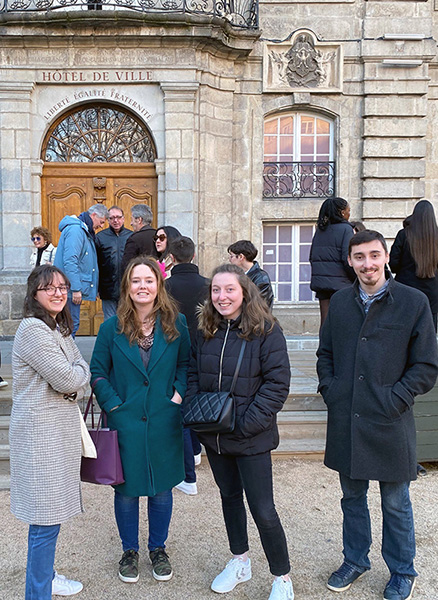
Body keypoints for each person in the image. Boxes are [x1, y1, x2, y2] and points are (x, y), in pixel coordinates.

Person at [317, 229, 438, 600]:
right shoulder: (339, 302)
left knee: (395, 503)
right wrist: (331, 390)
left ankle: (402, 570)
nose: (367, 264)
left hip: (389, 418)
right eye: (359, 257)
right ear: (350, 262)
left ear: (386, 257)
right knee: (351, 498)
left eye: (373, 255)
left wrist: (395, 398)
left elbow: (426, 366)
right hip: (347, 417)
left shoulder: (413, 302)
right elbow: (325, 354)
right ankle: (355, 560)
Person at [185, 263, 293, 600]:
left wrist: (247, 424)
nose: (221, 296)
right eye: (216, 290)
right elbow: (191, 372)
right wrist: (194, 407)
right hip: (215, 435)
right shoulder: (205, 329)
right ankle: (239, 560)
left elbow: (277, 384)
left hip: (250, 436)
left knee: (263, 509)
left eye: (229, 289)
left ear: (244, 291)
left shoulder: (266, 330)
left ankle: (282, 577)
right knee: (230, 499)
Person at [90, 256, 191, 585]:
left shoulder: (177, 322)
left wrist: (176, 395)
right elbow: (97, 372)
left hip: (165, 417)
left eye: (149, 280)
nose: (142, 286)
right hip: (126, 420)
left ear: (159, 285)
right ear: (127, 287)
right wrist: (114, 405)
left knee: (162, 488)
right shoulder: (110, 328)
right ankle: (129, 551)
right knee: (128, 490)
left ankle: (158, 549)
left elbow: (186, 365)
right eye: (136, 281)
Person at [9, 265, 90, 600]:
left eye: (62, 286)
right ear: (34, 294)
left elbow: (79, 372)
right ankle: (38, 592)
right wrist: (73, 381)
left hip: (54, 435)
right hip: (39, 438)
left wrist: (73, 380)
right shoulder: (33, 330)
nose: (58, 292)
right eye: (49, 288)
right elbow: (71, 379)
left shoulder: (56, 328)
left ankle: (46, 576)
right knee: (44, 521)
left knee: (49, 519)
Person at [165, 235, 209, 495]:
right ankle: (194, 451)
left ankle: (189, 470)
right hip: (205, 352)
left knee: (182, 408)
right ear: (194, 256)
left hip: (175, 352)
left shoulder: (165, 286)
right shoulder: (207, 285)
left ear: (172, 258)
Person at [54, 204, 108, 336]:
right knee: (70, 325)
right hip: (69, 288)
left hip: (68, 286)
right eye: (101, 222)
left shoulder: (81, 229)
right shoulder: (76, 230)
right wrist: (76, 288)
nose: (101, 226)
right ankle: (64, 356)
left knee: (69, 325)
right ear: (93, 215)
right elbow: (71, 261)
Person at [389, 200, 438, 332]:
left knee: (402, 331)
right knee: (428, 334)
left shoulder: (404, 234)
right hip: (432, 291)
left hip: (405, 287)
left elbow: (393, 263)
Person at [309, 197, 355, 327]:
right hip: (342, 284)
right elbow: (347, 259)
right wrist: (356, 279)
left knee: (325, 322)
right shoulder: (346, 229)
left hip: (322, 284)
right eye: (348, 210)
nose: (349, 214)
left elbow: (312, 257)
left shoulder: (320, 231)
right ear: (341, 212)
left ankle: (324, 347)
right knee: (342, 323)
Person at [96, 205, 132, 320]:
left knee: (127, 322)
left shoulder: (131, 236)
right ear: (107, 220)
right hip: (107, 288)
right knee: (110, 322)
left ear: (123, 218)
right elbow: (96, 263)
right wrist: (96, 287)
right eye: (111, 218)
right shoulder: (100, 237)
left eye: (118, 217)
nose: (115, 221)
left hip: (128, 288)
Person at [228, 240, 274, 309]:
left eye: (231, 256)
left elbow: (257, 306)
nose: (229, 259)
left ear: (241, 257)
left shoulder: (261, 277)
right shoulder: (237, 275)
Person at [121, 204, 156, 272]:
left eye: (132, 220)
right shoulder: (158, 235)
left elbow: (127, 266)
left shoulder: (134, 239)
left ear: (139, 220)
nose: (131, 223)